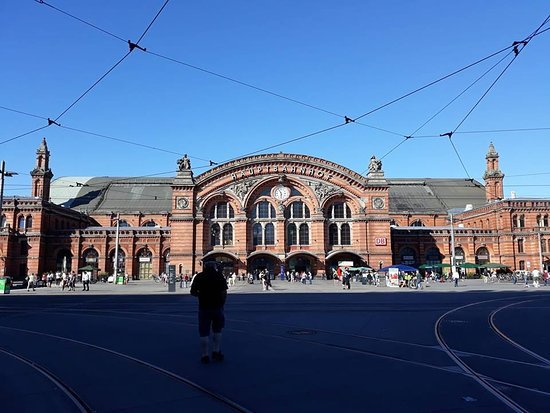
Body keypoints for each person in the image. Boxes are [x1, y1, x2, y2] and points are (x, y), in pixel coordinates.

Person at [190, 261, 228, 364]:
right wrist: (222, 303)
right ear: (215, 267)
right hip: (217, 307)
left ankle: (205, 355)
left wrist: (201, 296)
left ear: (205, 267)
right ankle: (216, 351)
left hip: (204, 307)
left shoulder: (199, 276)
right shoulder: (219, 276)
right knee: (217, 330)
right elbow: (224, 292)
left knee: (204, 332)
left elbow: (192, 292)